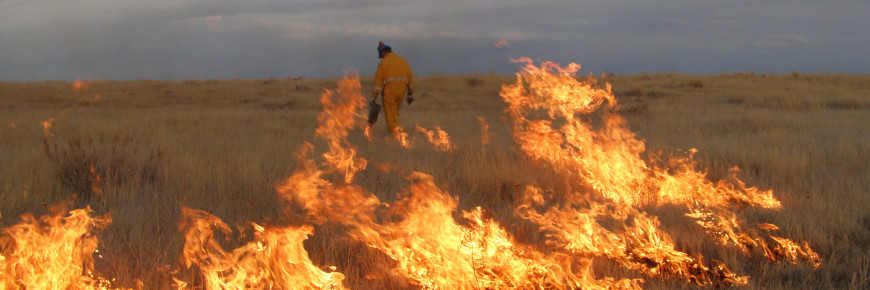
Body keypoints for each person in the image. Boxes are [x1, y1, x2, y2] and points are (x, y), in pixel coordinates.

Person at [371, 41, 414, 137]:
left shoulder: (384, 63)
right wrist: (410, 93)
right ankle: (397, 133)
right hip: (401, 93)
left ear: (383, 52)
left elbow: (379, 80)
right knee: (394, 114)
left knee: (390, 116)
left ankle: (395, 139)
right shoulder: (403, 61)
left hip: (389, 93)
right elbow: (410, 77)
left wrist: (374, 95)